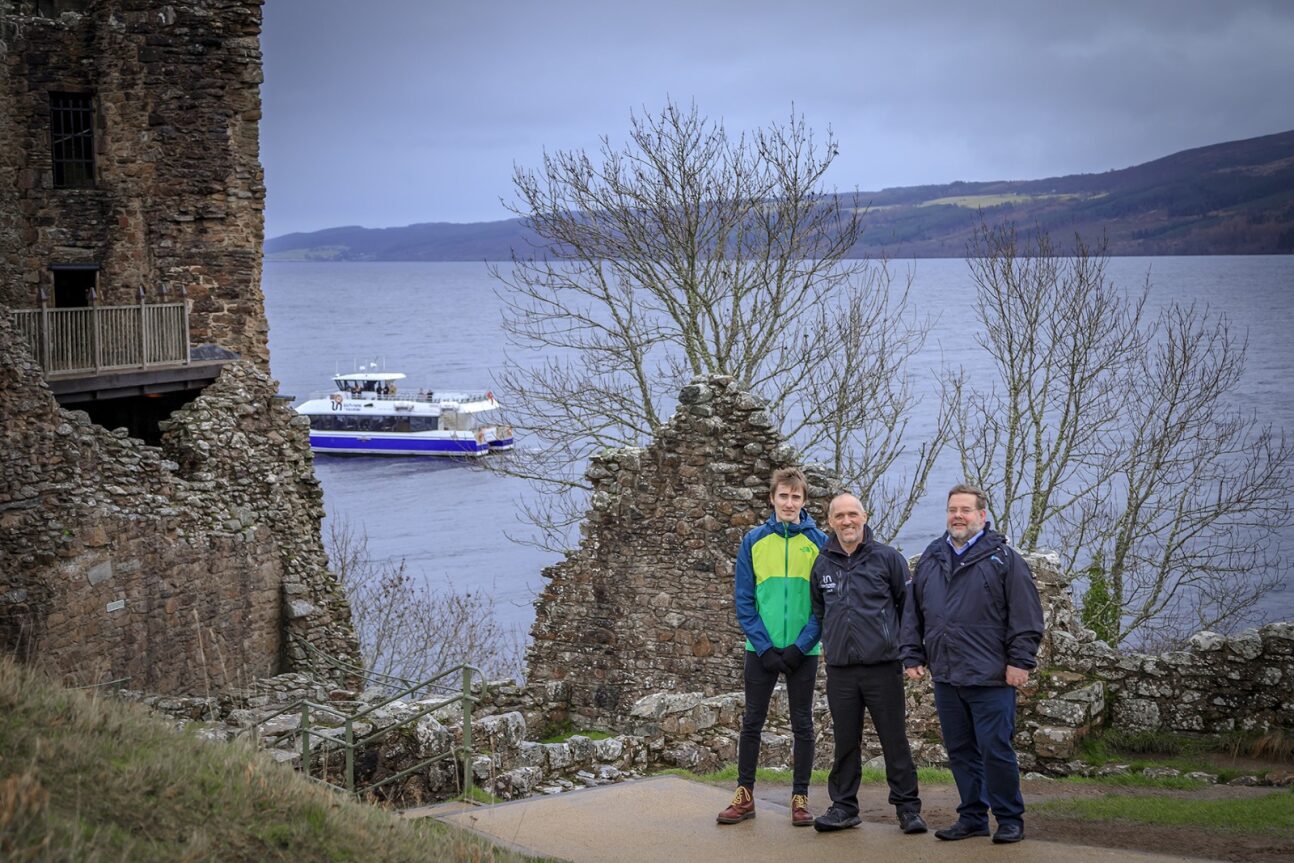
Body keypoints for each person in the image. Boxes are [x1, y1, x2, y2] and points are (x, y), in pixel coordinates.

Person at [900, 483, 1045, 845]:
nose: (958, 516)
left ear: (982, 515)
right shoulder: (932, 558)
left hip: (991, 677)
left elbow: (1026, 616)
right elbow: (913, 613)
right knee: (961, 752)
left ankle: (1010, 819)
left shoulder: (1004, 559)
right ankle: (973, 817)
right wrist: (912, 655)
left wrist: (1020, 661)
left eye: (966, 510)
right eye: (953, 510)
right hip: (947, 676)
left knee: (996, 750)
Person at [717, 467, 827, 828]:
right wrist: (764, 647)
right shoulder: (752, 541)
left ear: (804, 501)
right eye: (784, 496)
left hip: (803, 651)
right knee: (752, 722)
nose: (790, 503)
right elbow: (744, 601)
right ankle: (744, 795)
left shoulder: (820, 543)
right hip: (759, 650)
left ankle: (799, 798)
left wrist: (800, 646)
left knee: (802, 725)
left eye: (796, 497)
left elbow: (822, 605)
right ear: (772, 498)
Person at [809, 493, 926, 835]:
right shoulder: (822, 563)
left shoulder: (888, 559)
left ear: (865, 516)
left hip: (883, 667)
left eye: (853, 515)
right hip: (841, 671)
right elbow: (820, 610)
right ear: (830, 522)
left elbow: (908, 609)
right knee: (845, 742)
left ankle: (908, 809)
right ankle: (844, 807)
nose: (847, 521)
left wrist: (910, 654)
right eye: (840, 516)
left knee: (895, 740)